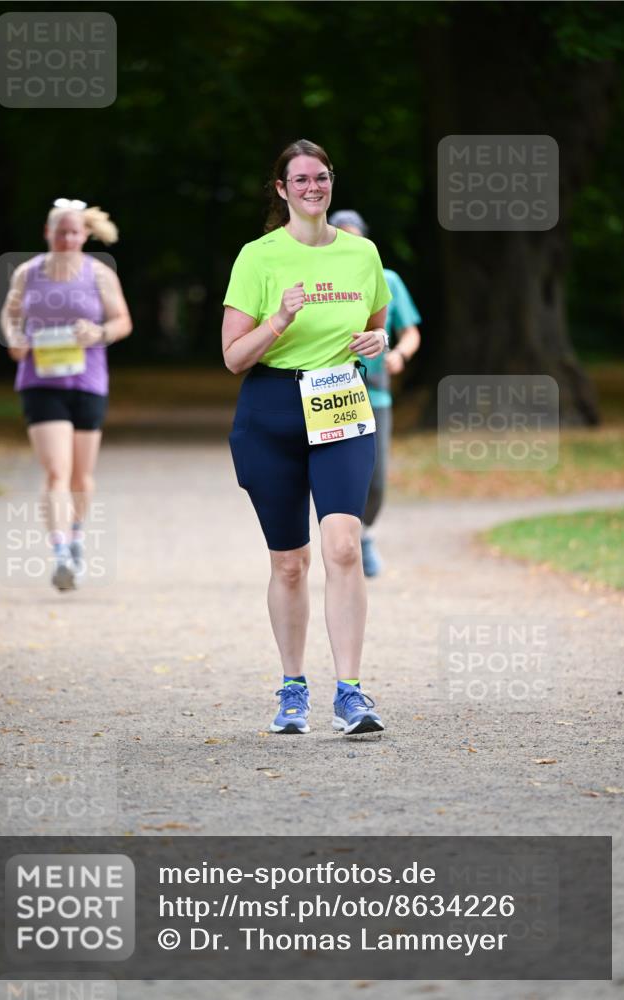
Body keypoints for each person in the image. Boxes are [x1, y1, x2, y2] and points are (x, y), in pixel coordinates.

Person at [222, 139, 392, 736]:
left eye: (320, 177)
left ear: (331, 181)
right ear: (282, 189)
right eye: (300, 179)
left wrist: (378, 342)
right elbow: (233, 357)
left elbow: (377, 324)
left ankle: (351, 693)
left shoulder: (362, 253)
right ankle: (293, 689)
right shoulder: (259, 257)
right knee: (290, 562)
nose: (312, 188)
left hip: (340, 400)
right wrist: (279, 319)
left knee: (343, 546)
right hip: (271, 409)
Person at [0, 199, 132, 591]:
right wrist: (15, 338)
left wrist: (99, 333)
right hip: (40, 382)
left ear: (85, 235)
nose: (68, 239)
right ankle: (60, 553)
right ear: (48, 232)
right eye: (61, 232)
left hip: (88, 382)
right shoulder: (27, 273)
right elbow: (10, 316)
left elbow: (122, 321)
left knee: (80, 476)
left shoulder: (99, 274)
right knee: (57, 470)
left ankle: (75, 536)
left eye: (74, 233)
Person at [329, 210, 422, 577]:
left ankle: (364, 533)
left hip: (376, 394)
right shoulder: (322, 281)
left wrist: (400, 354)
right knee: (335, 471)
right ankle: (341, 542)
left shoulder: (388, 280)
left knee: (377, 478)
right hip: (332, 390)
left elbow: (410, 332)